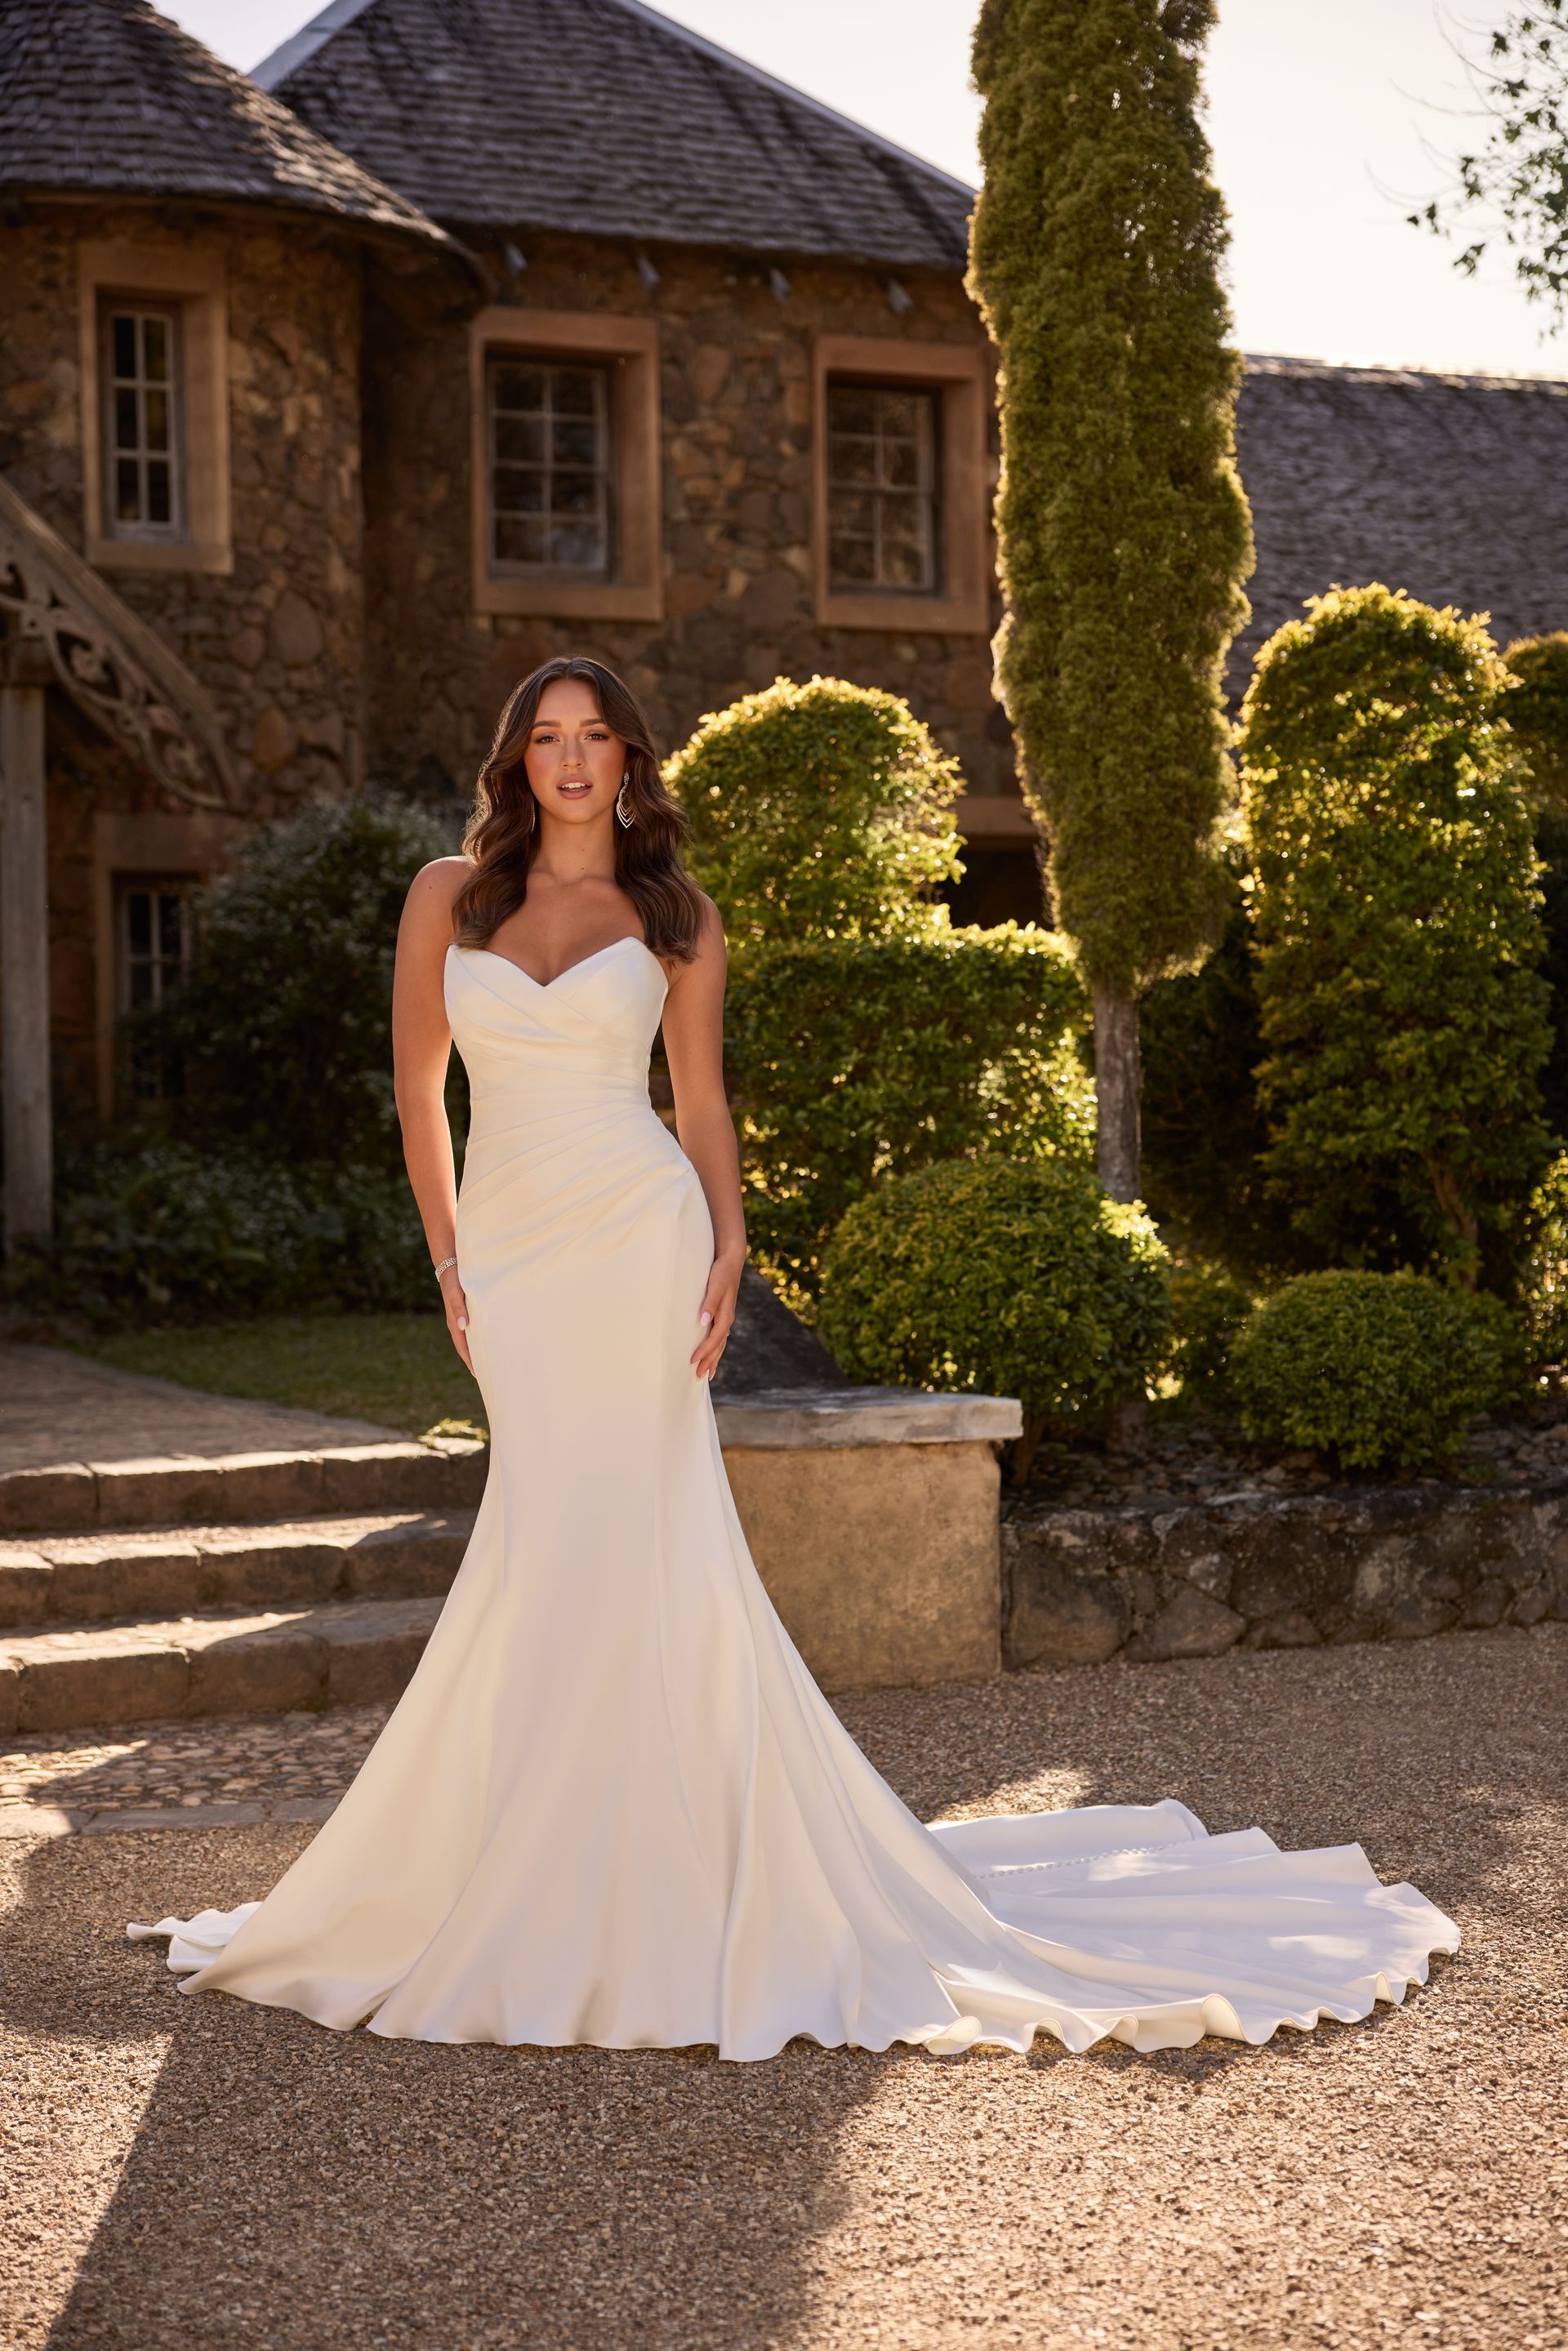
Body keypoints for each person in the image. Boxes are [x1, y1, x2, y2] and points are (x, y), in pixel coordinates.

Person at [131, 657, 1459, 2057]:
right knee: (543, 1536)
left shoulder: (676, 916)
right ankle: (527, 1855)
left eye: (596, 739)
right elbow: (417, 1084)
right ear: (517, 759)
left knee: (636, 1535)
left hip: (637, 1241)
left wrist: (727, 1245)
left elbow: (699, 1105)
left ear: (631, 760)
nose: (571, 761)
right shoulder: (441, 896)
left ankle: (643, 1873)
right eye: (547, 739)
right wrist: (450, 1261)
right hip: (515, 1260)